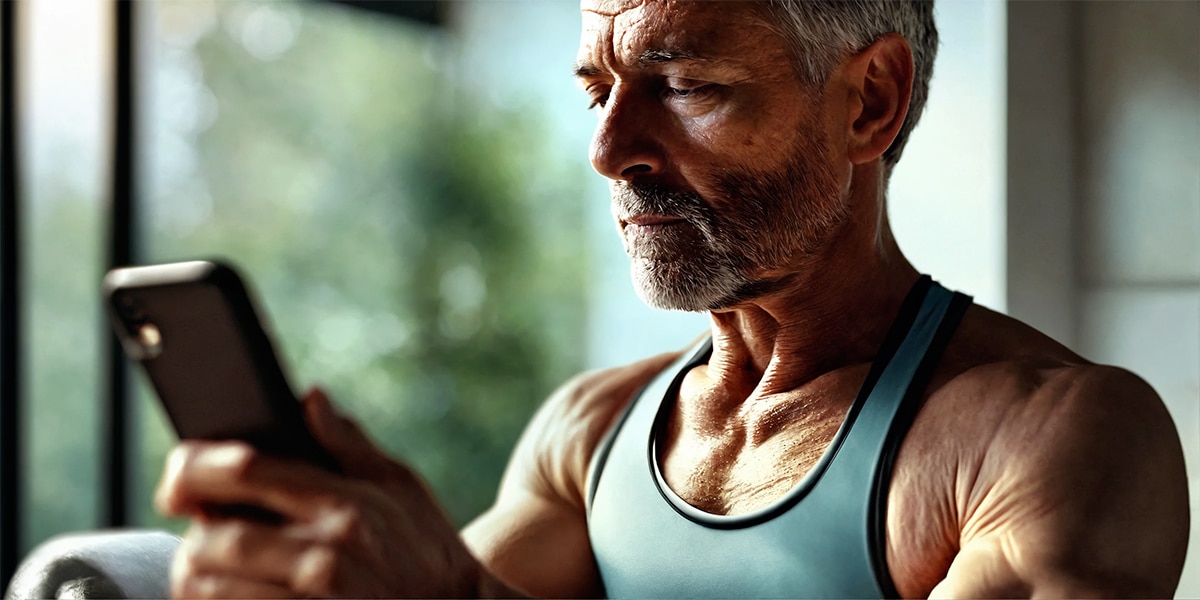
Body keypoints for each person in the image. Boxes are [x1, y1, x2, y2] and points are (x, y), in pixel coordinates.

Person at [154, 0, 1191, 597]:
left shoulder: (1054, 439)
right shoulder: (588, 433)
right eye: (598, 92)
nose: (611, 153)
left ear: (869, 101)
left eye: (686, 86)